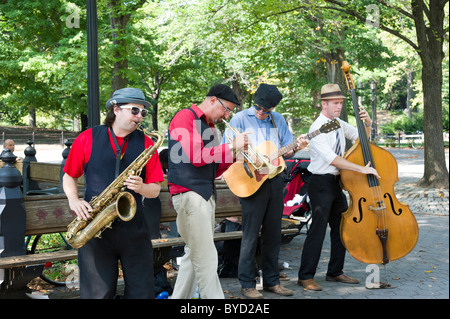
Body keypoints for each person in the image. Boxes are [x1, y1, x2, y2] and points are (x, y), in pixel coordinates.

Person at [62, 87, 164, 299]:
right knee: (97, 295)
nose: (140, 117)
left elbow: (155, 190)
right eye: (135, 110)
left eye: (143, 112)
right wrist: (74, 200)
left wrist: (141, 187)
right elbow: (69, 176)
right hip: (94, 228)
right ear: (116, 109)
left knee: (142, 293)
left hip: (134, 230)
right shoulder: (88, 138)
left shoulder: (147, 143)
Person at [224, 83, 308, 299]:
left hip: (275, 180)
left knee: (273, 234)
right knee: (250, 236)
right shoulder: (240, 118)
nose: (261, 113)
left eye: (266, 110)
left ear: (273, 108)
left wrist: (297, 147)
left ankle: (272, 281)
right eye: (259, 108)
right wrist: (250, 159)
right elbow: (227, 148)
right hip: (251, 180)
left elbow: (287, 150)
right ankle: (247, 284)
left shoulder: (277, 119)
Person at [168, 84, 249, 299]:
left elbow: (211, 166)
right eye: (226, 109)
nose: (227, 115)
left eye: (230, 111)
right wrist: (231, 146)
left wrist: (234, 155)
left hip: (203, 194)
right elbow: (196, 156)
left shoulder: (210, 126)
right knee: (206, 257)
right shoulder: (186, 117)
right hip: (190, 195)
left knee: (192, 256)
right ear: (213, 100)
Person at [297, 83, 380, 291]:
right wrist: (361, 169)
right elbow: (332, 159)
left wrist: (367, 124)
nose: (339, 106)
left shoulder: (337, 123)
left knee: (342, 229)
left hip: (336, 183)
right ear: (323, 104)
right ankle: (305, 276)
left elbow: (361, 138)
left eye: (341, 103)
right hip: (320, 183)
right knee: (317, 231)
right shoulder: (316, 128)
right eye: (336, 103)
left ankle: (335, 271)